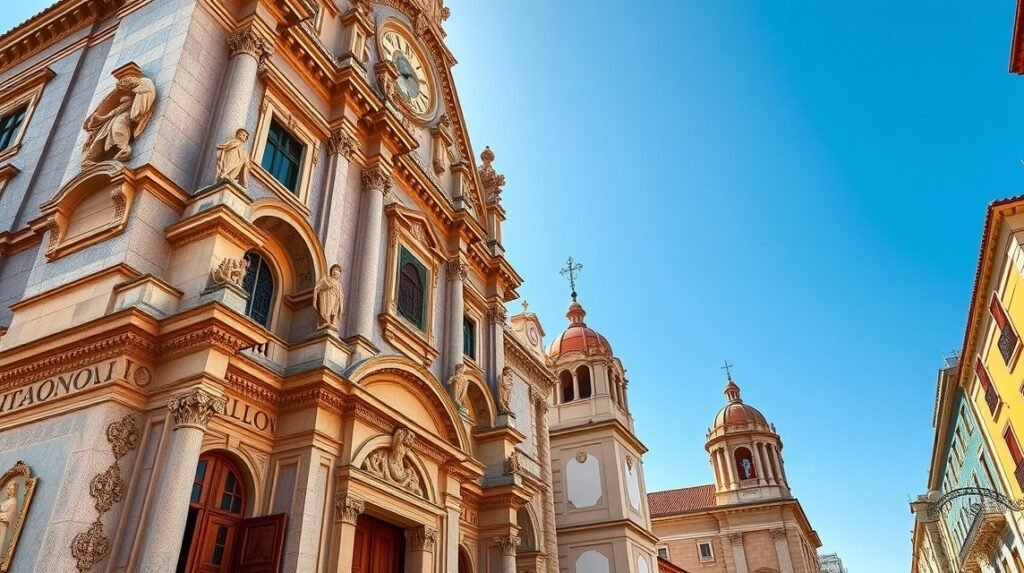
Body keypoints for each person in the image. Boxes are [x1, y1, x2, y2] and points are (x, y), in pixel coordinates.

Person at [313, 265, 343, 331]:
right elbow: (318, 287)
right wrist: (327, 286)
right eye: (334, 272)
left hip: (334, 299)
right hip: (325, 297)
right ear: (331, 272)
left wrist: (340, 304)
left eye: (337, 274)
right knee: (326, 310)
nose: (335, 274)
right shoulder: (326, 278)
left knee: (332, 311)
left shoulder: (339, 284)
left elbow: (340, 295)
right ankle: (326, 322)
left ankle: (332, 322)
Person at [0, 482, 17, 546]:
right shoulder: (5, 501)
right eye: (11, 489)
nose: (12, 491)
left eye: (14, 489)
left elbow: (9, 516)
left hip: (2, 525)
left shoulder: (13, 501)